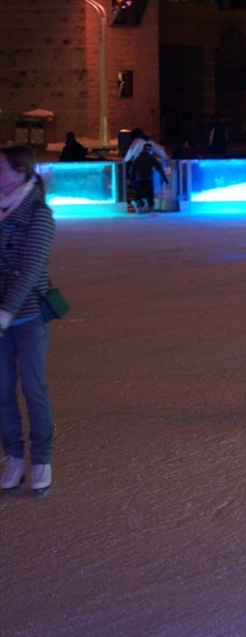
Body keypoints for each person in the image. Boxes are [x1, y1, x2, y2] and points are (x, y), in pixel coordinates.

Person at [0, 145, 56, 498]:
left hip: (28, 314)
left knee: (33, 389)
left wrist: (5, 312)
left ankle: (41, 458)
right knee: (2, 390)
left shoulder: (39, 213)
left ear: (19, 172)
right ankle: (14, 456)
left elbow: (31, 268)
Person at [130, 143, 169, 213]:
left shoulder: (138, 158)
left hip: (139, 178)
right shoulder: (151, 158)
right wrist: (164, 176)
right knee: (149, 193)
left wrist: (132, 178)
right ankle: (151, 207)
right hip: (148, 178)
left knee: (140, 192)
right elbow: (158, 167)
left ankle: (138, 206)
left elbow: (133, 169)